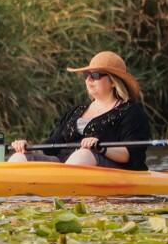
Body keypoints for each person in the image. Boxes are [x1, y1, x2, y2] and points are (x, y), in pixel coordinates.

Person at [9, 51, 151, 170]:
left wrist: (100, 148)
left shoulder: (131, 112)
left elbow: (130, 153)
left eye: (95, 76)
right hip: (66, 164)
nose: (89, 79)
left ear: (113, 82)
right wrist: (30, 148)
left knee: (83, 155)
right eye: (86, 75)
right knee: (20, 157)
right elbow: (53, 143)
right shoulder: (76, 111)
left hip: (110, 169)